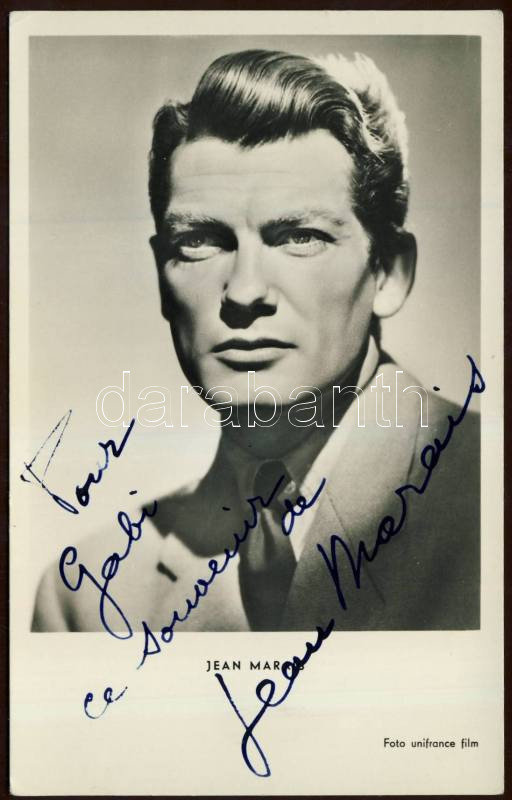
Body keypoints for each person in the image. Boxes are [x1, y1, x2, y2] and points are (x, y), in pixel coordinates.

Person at [32, 48, 480, 635]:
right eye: (200, 242)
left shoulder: (488, 496)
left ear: (388, 272)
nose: (244, 290)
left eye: (299, 236)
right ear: (162, 276)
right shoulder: (88, 597)